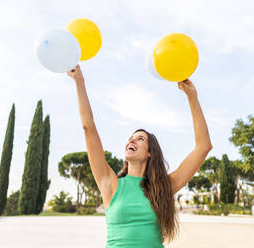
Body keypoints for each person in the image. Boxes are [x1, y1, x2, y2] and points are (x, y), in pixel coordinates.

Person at [67, 65, 212, 247]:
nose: (131, 141)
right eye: (130, 139)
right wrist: (79, 81)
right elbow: (88, 127)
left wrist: (192, 97)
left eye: (140, 138)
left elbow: (203, 146)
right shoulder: (110, 184)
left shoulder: (163, 187)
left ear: (150, 153)